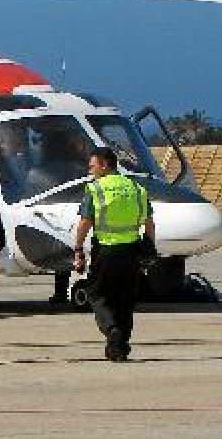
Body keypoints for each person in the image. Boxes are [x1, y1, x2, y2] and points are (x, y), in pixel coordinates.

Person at [72, 147, 154, 362]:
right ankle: (119, 348)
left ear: (104, 165)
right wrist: (149, 247)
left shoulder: (95, 189)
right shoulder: (136, 188)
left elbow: (85, 223)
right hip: (132, 252)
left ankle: (112, 330)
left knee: (98, 295)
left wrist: (78, 249)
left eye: (92, 166)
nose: (90, 170)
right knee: (125, 301)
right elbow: (149, 223)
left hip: (106, 252)